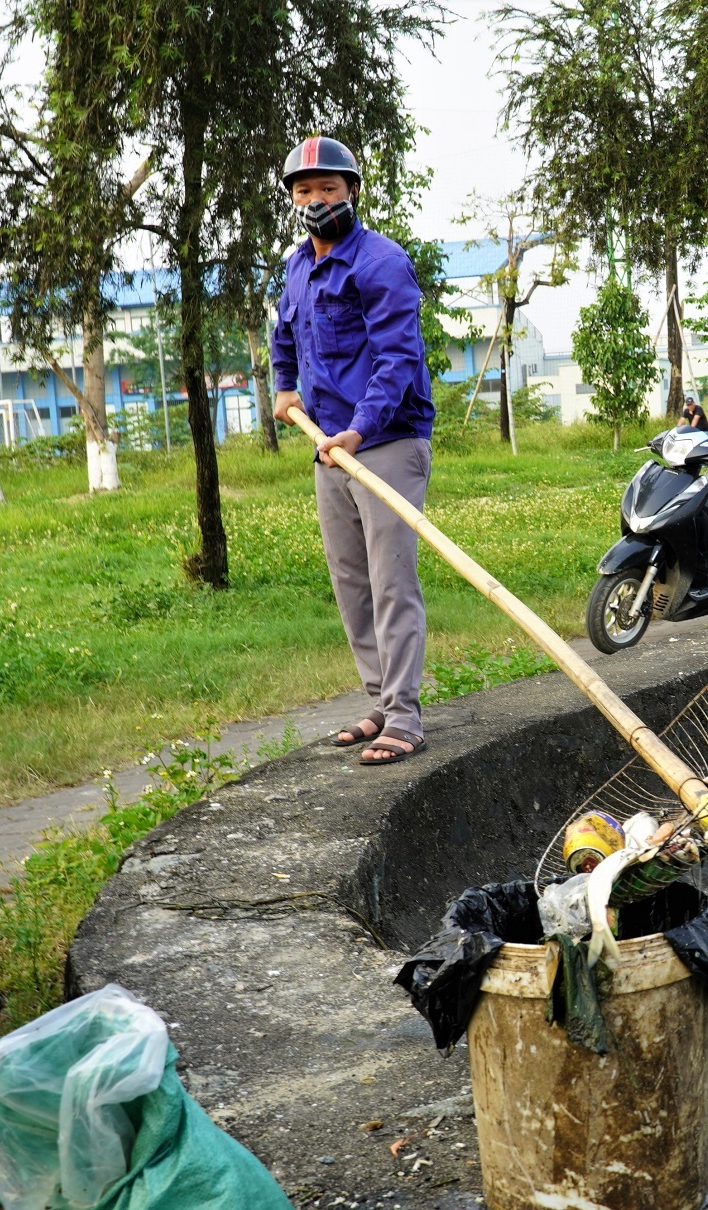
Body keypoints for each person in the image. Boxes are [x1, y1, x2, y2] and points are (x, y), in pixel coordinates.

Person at [271, 136, 436, 766]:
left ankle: (405, 716)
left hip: (386, 440)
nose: (316, 201)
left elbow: (398, 360)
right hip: (330, 447)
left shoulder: (381, 262)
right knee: (352, 582)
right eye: (305, 191)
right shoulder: (296, 267)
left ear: (352, 194)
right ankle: (379, 699)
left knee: (392, 579)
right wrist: (286, 388)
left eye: (328, 190)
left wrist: (359, 432)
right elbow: (284, 334)